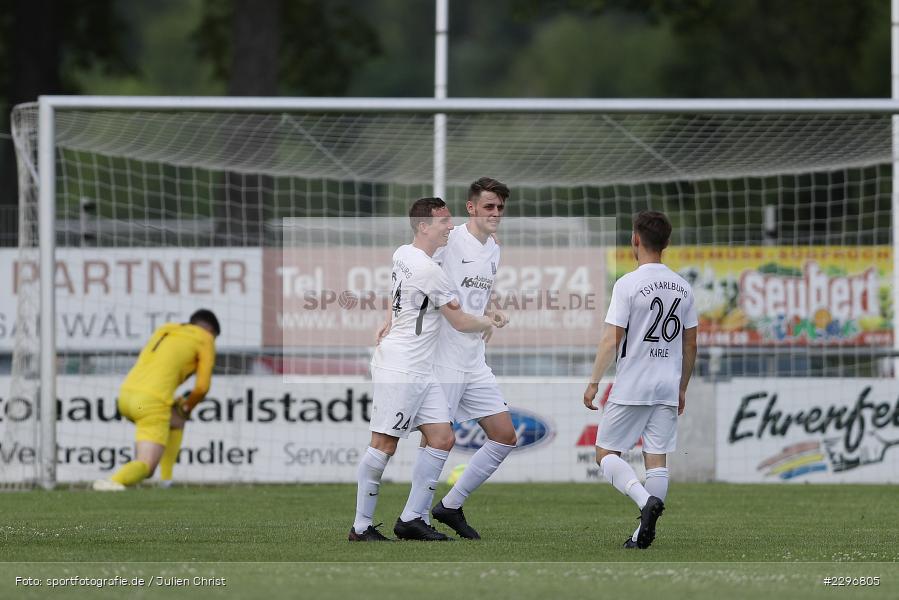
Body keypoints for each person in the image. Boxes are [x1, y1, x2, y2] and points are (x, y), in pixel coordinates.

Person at [350, 198, 495, 542]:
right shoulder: (432, 271)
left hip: (421, 368)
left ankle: (412, 519)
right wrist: (489, 320)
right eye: (443, 221)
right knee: (384, 444)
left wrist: (388, 319)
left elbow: (397, 293)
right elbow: (459, 321)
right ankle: (360, 527)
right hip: (402, 366)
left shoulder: (403, 252)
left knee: (443, 438)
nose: (450, 226)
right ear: (423, 227)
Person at [583, 211, 698, 549]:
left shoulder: (628, 284)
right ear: (667, 243)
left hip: (634, 382)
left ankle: (642, 502)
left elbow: (611, 338)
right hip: (666, 384)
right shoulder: (683, 286)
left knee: (605, 453)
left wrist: (593, 382)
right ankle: (641, 535)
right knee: (657, 459)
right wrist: (681, 388)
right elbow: (690, 343)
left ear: (635, 239)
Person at [425, 177, 514, 539]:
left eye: (500, 208)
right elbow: (416, 278)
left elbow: (480, 294)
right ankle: (413, 516)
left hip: (474, 359)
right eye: (489, 206)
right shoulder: (449, 241)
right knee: (435, 439)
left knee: (505, 436)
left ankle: (450, 505)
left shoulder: (493, 247)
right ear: (471, 207)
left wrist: (490, 313)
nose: (495, 213)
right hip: (443, 357)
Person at [93, 309, 220, 491]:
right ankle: (113, 481)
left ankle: (166, 481)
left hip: (126, 397)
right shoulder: (205, 339)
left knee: (176, 421)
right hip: (150, 403)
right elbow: (202, 388)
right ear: (210, 330)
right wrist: (187, 406)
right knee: (147, 465)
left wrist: (181, 409)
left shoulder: (166, 329)